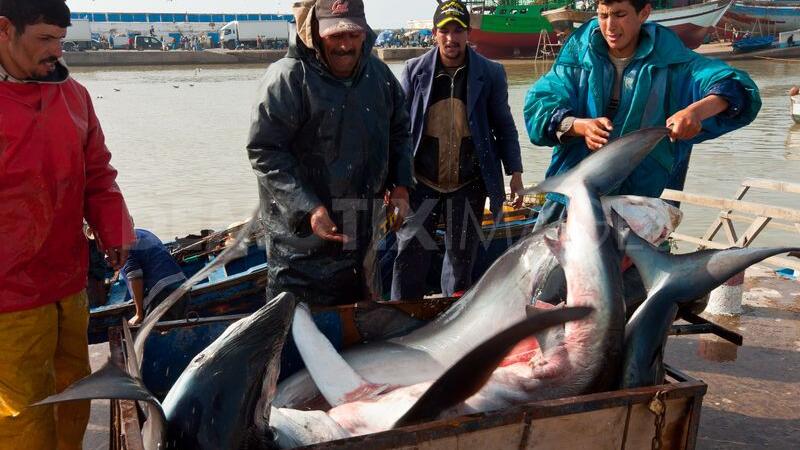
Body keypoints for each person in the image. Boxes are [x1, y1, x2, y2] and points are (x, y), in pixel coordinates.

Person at [0, 1, 135, 448]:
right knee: (22, 415)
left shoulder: (74, 96)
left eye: (61, 39)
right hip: (8, 297)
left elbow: (97, 172)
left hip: (67, 281)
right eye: (44, 38)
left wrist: (113, 228)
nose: (57, 50)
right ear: (4, 29)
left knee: (74, 393)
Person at [524, 0, 760, 227]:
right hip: (570, 198)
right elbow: (539, 104)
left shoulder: (672, 60)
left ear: (644, 13)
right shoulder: (576, 57)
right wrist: (578, 126)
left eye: (620, 15)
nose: (610, 26)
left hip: (638, 203)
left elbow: (735, 86)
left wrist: (695, 111)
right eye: (603, 15)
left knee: (633, 256)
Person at [247, 0, 413, 306]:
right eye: (335, 36)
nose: (345, 45)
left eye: (353, 35)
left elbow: (400, 131)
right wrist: (308, 207)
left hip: (362, 238)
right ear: (316, 33)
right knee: (299, 324)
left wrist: (401, 184)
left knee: (363, 318)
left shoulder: (378, 74)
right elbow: (265, 151)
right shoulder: (288, 78)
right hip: (300, 249)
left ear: (364, 32)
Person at [391, 0, 524, 300]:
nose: (451, 38)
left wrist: (515, 173)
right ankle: (400, 317)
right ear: (434, 33)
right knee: (409, 259)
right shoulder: (413, 71)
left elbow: (504, 127)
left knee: (460, 264)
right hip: (421, 181)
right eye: (445, 30)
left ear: (468, 33)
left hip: (468, 183)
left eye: (458, 30)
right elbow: (398, 131)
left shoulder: (491, 73)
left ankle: (451, 315)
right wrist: (394, 181)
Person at [122, 229, 189, 326]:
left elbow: (135, 278)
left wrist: (139, 314)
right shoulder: (143, 232)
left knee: (156, 332)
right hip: (182, 285)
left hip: (162, 294)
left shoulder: (123, 245)